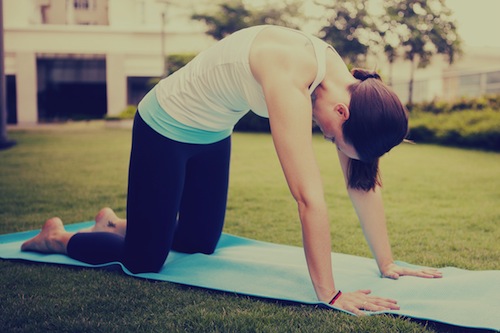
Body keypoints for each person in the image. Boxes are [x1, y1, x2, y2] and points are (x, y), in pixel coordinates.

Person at [21, 25, 442, 316]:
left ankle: (114, 222)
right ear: (342, 111)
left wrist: (387, 263)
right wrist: (330, 294)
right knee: (145, 261)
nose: (328, 140)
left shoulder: (345, 89)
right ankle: (57, 237)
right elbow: (307, 198)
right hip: (164, 126)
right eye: (334, 139)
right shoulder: (291, 76)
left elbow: (360, 180)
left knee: (200, 243)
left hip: (212, 134)